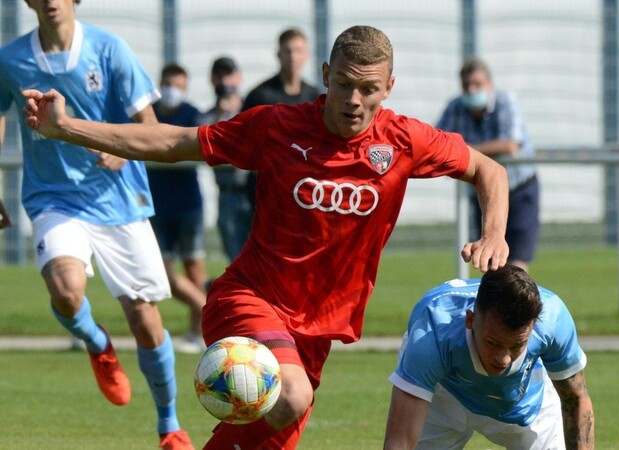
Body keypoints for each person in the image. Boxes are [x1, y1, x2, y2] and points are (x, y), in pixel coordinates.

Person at [21, 25, 510, 450]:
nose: (353, 100)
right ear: (325, 74)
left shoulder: (405, 140)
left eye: (368, 89)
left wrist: (493, 234)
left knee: (274, 428)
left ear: (389, 88)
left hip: (315, 332)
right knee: (291, 395)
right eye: (343, 84)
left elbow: (489, 170)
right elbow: (174, 142)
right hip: (250, 299)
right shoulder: (277, 126)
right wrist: (67, 129)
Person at [0, 1, 194, 449]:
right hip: (54, 197)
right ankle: (95, 340)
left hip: (119, 200)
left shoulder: (110, 50)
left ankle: (170, 426)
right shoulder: (10, 60)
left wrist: (123, 148)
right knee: (66, 291)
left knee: (146, 323)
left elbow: (149, 125)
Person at [384, 265, 595, 450]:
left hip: (524, 400)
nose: (504, 359)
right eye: (493, 343)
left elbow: (575, 399)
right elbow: (399, 443)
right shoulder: (431, 334)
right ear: (470, 320)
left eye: (517, 345)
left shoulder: (553, 319)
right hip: (444, 393)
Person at [437, 57, 539, 272]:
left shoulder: (505, 102)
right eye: (467, 86)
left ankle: (516, 304)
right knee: (489, 259)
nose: (472, 91)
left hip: (518, 188)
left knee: (516, 261)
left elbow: (510, 144)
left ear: (490, 85)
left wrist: (466, 154)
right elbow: (437, 146)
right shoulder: (455, 107)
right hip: (482, 192)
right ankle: (494, 304)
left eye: (478, 85)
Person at [148, 63, 207, 353]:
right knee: (163, 275)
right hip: (156, 206)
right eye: (169, 83)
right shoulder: (147, 114)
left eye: (179, 85)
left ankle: (197, 333)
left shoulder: (193, 114)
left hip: (188, 205)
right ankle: (209, 309)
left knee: (195, 271)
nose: (173, 90)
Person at [242, 27, 321, 210]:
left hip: (303, 192)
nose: (293, 57)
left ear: (306, 55)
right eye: (288, 51)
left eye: (298, 51)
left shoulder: (314, 97)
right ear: (278, 54)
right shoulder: (259, 96)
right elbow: (245, 141)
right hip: (265, 192)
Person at [198, 56, 252, 262]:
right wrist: (220, 114)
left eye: (229, 75)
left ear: (239, 78)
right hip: (227, 195)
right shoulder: (208, 116)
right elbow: (204, 141)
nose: (224, 81)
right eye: (219, 76)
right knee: (238, 261)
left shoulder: (251, 107)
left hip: (255, 193)